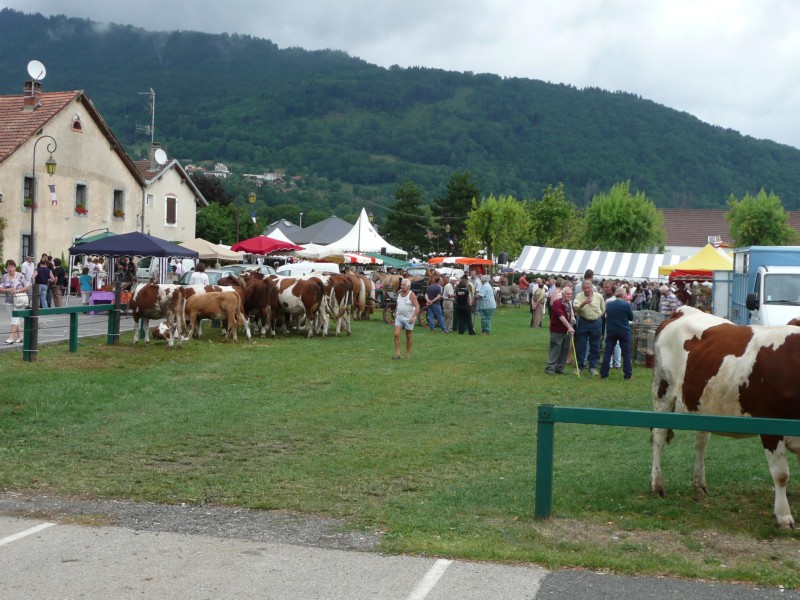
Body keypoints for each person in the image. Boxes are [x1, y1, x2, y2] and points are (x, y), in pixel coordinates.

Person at [600, 287, 635, 380]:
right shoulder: (626, 305)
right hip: (623, 330)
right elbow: (631, 317)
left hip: (611, 330)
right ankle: (628, 374)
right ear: (623, 295)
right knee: (626, 353)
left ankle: (604, 373)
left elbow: (605, 316)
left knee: (608, 352)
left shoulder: (609, 304)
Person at [573, 279, 605, 376]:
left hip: (596, 323)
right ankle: (580, 367)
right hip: (583, 322)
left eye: (588, 288)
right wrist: (584, 303)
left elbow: (603, 309)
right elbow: (575, 307)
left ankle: (593, 367)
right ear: (582, 288)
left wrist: (597, 316)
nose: (587, 290)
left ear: (592, 288)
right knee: (581, 345)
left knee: (595, 346)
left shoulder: (599, 296)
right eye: (585, 288)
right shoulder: (579, 296)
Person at [544, 285, 575, 375]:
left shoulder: (569, 303)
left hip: (566, 331)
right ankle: (550, 368)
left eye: (570, 294)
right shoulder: (557, 303)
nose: (569, 295)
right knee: (555, 348)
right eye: (567, 294)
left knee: (565, 349)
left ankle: (560, 368)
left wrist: (572, 324)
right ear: (563, 294)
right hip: (557, 330)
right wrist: (569, 326)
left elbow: (570, 315)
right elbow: (561, 316)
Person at [1, 259, 30, 343]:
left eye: (12, 266)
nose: (10, 268)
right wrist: (8, 289)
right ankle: (20, 336)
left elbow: (27, 286)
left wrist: (18, 290)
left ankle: (11, 337)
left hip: (19, 301)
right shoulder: (4, 276)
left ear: (15, 267)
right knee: (14, 319)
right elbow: (0, 288)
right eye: (8, 267)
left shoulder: (20, 275)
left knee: (15, 318)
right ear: (7, 268)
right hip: (8, 301)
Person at [393, 278, 420, 359]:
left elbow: (417, 306)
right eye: (401, 285)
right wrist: (395, 312)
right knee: (396, 334)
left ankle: (407, 354)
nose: (402, 286)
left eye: (404, 285)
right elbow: (398, 304)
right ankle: (398, 353)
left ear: (408, 286)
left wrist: (413, 317)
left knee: (408, 336)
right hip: (399, 317)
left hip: (409, 318)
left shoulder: (411, 295)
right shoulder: (399, 293)